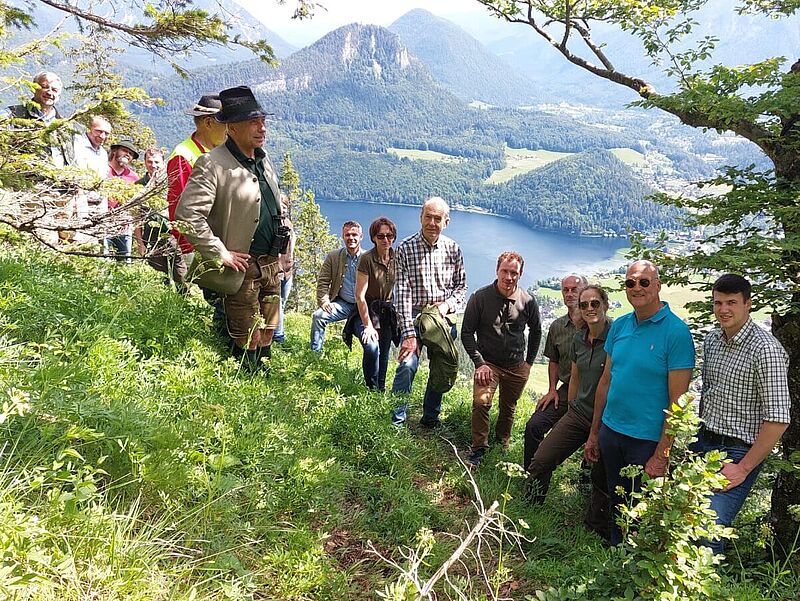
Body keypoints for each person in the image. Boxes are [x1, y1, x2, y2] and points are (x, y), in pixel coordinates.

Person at [175, 85, 289, 373]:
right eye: (253, 122)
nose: (262, 128)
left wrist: (284, 253)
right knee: (243, 334)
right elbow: (187, 215)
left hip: (270, 265)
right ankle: (243, 389)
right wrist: (220, 252)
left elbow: (273, 208)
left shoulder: (263, 160)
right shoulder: (212, 164)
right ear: (232, 128)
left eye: (263, 120)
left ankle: (263, 383)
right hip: (241, 268)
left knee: (268, 330)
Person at [584, 260, 695, 545]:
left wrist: (662, 453)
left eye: (644, 282)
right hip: (612, 431)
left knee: (641, 510)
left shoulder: (676, 333)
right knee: (616, 497)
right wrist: (595, 433)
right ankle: (615, 553)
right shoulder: (620, 326)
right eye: (631, 282)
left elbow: (678, 402)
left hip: (646, 441)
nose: (637, 287)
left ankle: (635, 569)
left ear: (658, 285)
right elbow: (606, 381)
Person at [692, 274, 790, 555]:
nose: (723, 309)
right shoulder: (712, 341)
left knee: (708, 530)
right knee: (684, 518)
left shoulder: (765, 350)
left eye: (732, 303)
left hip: (738, 451)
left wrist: (744, 467)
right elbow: (709, 394)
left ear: (748, 304)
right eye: (718, 303)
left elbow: (778, 418)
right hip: (704, 442)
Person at [527, 284, 612, 540]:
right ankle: (529, 510)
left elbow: (608, 383)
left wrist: (595, 432)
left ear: (605, 305)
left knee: (601, 478)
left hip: (608, 420)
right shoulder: (579, 338)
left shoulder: (616, 335)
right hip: (580, 413)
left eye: (594, 303)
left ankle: (596, 532)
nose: (588, 308)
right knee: (541, 461)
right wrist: (571, 408)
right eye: (584, 304)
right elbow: (574, 377)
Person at [391, 197, 466, 428]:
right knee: (407, 365)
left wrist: (446, 306)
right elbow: (401, 294)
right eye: (428, 217)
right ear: (420, 217)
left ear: (446, 222)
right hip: (414, 317)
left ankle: (430, 419)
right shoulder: (405, 248)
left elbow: (461, 287)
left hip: (442, 320)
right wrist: (409, 335)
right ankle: (397, 420)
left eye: (437, 218)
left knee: (440, 369)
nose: (432, 223)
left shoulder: (453, 249)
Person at [461, 251, 541, 466]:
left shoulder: (528, 301)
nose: (509, 277)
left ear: (520, 274)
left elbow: (536, 332)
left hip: (517, 365)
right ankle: (479, 448)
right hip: (488, 363)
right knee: (481, 403)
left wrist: (529, 363)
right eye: (504, 271)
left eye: (514, 272)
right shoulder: (480, 297)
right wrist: (480, 363)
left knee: (509, 407)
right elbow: (467, 332)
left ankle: (502, 443)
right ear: (497, 270)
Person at [523, 274, 587, 471]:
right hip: (567, 390)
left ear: (584, 291)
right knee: (535, 425)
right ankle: (531, 476)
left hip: (594, 392)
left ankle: (586, 477)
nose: (569, 294)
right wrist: (552, 389)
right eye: (565, 290)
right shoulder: (558, 326)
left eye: (574, 290)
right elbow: (554, 360)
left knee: (599, 435)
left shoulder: (599, 324)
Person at [167, 93, 227, 266]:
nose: (229, 129)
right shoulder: (183, 155)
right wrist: (188, 250)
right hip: (195, 249)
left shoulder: (219, 152)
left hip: (216, 245)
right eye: (225, 123)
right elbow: (178, 208)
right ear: (208, 123)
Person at [350, 217, 398, 391]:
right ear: (373, 238)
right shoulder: (366, 259)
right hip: (367, 310)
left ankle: (381, 390)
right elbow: (359, 295)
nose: (385, 240)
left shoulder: (397, 257)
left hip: (386, 311)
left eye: (389, 235)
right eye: (380, 236)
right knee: (371, 347)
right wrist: (368, 326)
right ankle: (371, 388)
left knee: (384, 353)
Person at [133, 147, 187, 289]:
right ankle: (163, 306)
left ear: (163, 163)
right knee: (159, 277)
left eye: (156, 162)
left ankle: (184, 303)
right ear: (144, 162)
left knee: (181, 274)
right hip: (150, 237)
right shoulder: (138, 186)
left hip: (173, 235)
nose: (153, 165)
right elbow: (136, 218)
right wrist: (140, 244)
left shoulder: (172, 182)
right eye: (149, 162)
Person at [311, 221, 364, 352]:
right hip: (342, 304)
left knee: (370, 340)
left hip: (363, 307)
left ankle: (370, 369)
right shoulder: (334, 256)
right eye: (347, 235)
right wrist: (324, 300)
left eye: (354, 234)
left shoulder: (368, 258)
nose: (351, 238)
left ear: (361, 237)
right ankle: (315, 356)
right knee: (318, 316)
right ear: (343, 236)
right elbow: (323, 281)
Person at [3, 71, 73, 167]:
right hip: (26, 177)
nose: (49, 92)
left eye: (54, 90)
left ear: (58, 95)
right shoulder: (13, 114)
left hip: (60, 179)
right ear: (34, 89)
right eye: (44, 87)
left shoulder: (64, 125)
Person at [104, 139, 140, 261]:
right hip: (102, 224)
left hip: (123, 226)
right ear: (115, 151)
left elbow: (135, 204)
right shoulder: (102, 169)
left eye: (131, 154)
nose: (127, 155)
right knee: (102, 259)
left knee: (124, 261)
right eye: (124, 150)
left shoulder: (133, 177)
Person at [273, 213, 295, 344]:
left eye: (286, 206)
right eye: (281, 206)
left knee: (282, 302)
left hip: (288, 271)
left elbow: (293, 238)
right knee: (278, 303)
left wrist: (292, 255)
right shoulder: (274, 223)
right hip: (277, 271)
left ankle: (276, 327)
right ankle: (278, 336)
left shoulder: (288, 223)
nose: (283, 209)